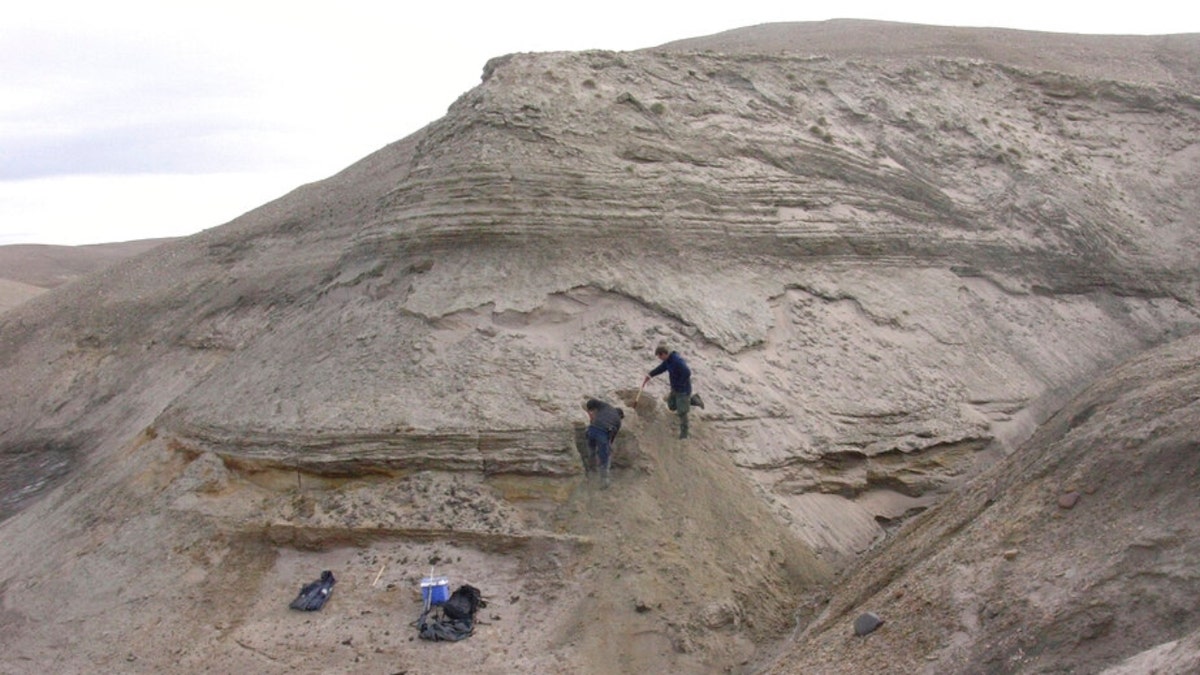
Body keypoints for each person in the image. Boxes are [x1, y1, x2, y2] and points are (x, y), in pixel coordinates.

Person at [643, 343, 704, 439]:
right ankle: (693, 400)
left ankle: (684, 434)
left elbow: (687, 372)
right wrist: (650, 375)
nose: (659, 358)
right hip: (675, 388)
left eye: (659, 356)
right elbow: (661, 368)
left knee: (682, 412)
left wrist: (680, 384)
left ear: (664, 354)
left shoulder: (677, 361)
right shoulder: (668, 361)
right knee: (671, 406)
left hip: (683, 390)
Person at [584, 398, 623, 488]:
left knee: (591, 449)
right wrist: (608, 447)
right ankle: (604, 480)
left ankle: (590, 469)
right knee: (605, 456)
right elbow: (611, 438)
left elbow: (592, 401)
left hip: (592, 428)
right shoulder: (618, 421)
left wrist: (589, 411)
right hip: (602, 433)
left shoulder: (606, 406)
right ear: (620, 416)